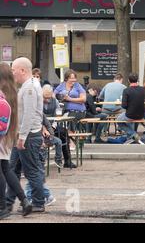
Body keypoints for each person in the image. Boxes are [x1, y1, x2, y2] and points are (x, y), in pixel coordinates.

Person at [6, 57, 46, 213]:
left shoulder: (29, 88)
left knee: (31, 171)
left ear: (22, 70)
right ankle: (8, 201)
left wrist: (22, 136)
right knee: (11, 169)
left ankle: (38, 202)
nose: (12, 72)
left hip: (27, 136)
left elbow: (29, 114)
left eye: (14, 70)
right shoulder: (28, 86)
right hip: (23, 135)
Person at [0, 62, 32, 219]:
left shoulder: (2, 92)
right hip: (9, 134)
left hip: (1, 134)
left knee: (3, 170)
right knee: (6, 169)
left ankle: (3, 207)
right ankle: (24, 200)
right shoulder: (14, 92)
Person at [42, 85, 76, 169]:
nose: (47, 100)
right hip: (41, 126)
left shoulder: (55, 101)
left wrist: (52, 127)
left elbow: (57, 116)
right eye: (45, 97)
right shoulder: (37, 101)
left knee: (64, 133)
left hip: (52, 125)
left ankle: (67, 160)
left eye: (49, 97)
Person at [117, 73, 145, 144]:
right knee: (128, 118)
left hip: (130, 115)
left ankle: (132, 134)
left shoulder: (126, 90)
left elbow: (124, 106)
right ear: (137, 80)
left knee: (119, 120)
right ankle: (131, 137)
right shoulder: (143, 89)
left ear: (129, 81)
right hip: (141, 114)